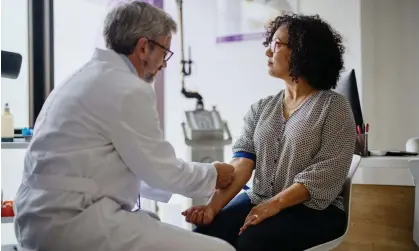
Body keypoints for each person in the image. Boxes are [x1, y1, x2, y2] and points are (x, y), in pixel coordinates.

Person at [13, 2, 236, 251]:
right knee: (220, 249)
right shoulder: (128, 90)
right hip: (74, 222)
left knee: (151, 222)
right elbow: (162, 170)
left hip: (38, 220)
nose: (164, 64)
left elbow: (128, 168)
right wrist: (214, 175)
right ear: (143, 48)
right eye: (165, 52)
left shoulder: (82, 78)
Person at [182, 13, 357, 251]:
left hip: (313, 209)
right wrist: (212, 207)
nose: (267, 52)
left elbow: (324, 173)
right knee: (205, 236)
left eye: (276, 44)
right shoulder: (261, 108)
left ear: (303, 51)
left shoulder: (333, 107)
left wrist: (274, 205)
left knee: (253, 241)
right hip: (259, 198)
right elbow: (241, 165)